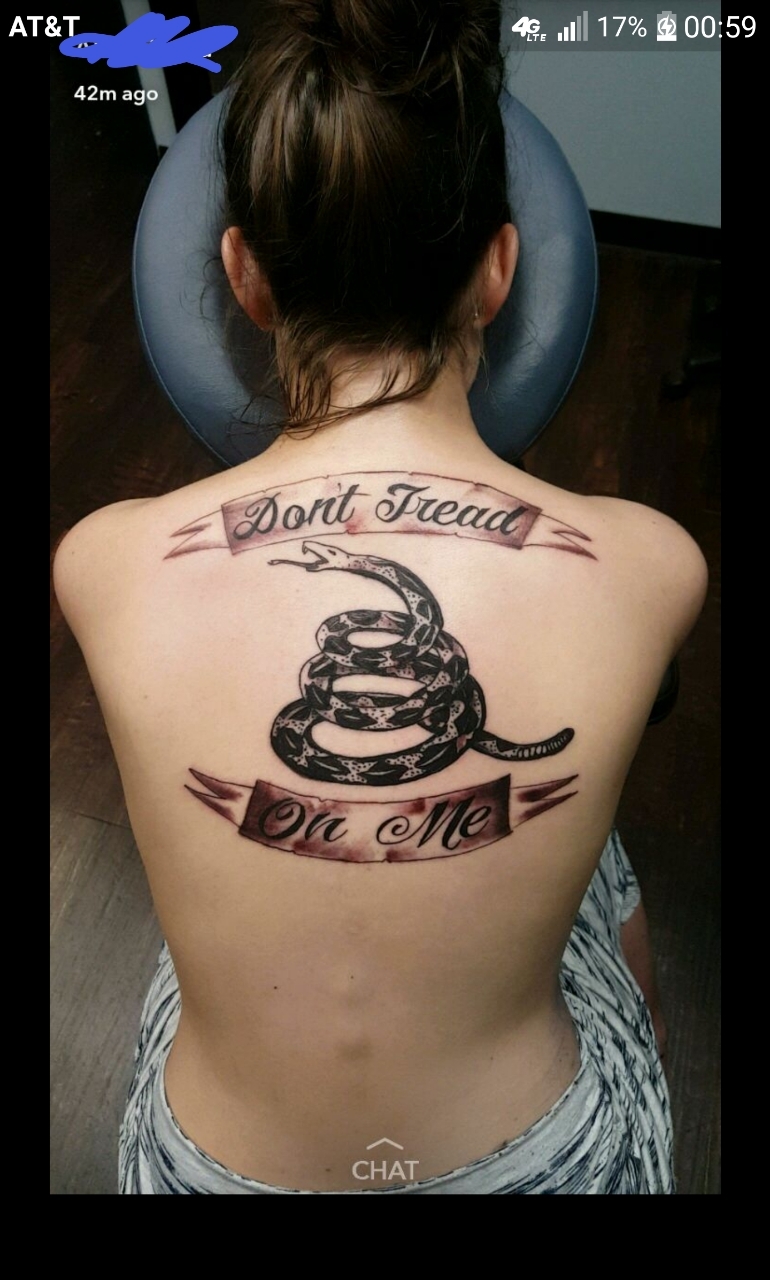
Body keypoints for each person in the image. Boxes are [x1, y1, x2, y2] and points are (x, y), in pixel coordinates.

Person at [53, 0, 707, 1195]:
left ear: (243, 274)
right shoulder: (652, 564)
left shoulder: (99, 560)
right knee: (593, 844)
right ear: (499, 269)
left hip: (202, 1169)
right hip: (550, 1168)